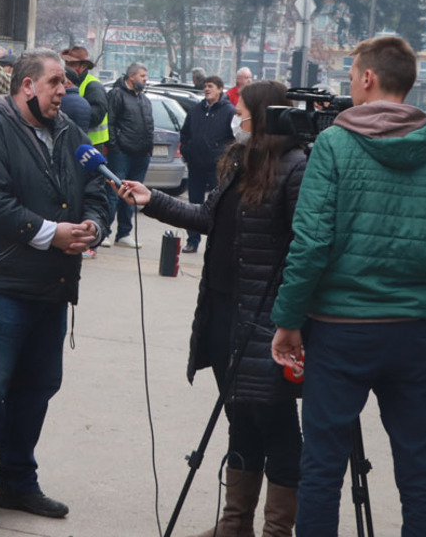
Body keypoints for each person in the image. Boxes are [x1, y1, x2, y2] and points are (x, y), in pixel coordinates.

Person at [269, 35, 426, 536]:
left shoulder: (335, 145)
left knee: (322, 467)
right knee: (418, 467)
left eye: (351, 75)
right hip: (411, 331)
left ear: (368, 78)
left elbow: (312, 243)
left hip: (339, 330)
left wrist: (288, 319)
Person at [123, 80, 306, 537]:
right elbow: (208, 217)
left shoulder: (295, 167)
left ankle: (277, 531)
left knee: (277, 425)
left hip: (267, 320)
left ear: (262, 117)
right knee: (239, 417)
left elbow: (307, 248)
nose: (233, 119)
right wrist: (153, 201)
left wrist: (290, 318)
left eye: (240, 111)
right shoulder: (241, 163)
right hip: (224, 311)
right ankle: (235, 525)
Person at [0, 49, 110, 527]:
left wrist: (92, 227)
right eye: (57, 82)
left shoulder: (69, 133)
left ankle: (18, 483)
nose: (66, 90)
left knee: (38, 387)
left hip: (52, 285)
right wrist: (51, 233)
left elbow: (97, 187)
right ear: (26, 86)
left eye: (66, 83)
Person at [177, 74, 236, 254]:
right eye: (205, 86)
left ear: (220, 89)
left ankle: (216, 242)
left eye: (211, 86)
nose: (207, 89)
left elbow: (234, 139)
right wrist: (188, 151)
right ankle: (192, 241)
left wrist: (223, 157)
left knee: (218, 205)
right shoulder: (196, 110)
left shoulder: (229, 111)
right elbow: (185, 134)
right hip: (196, 166)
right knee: (194, 205)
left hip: (217, 168)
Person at [103, 62, 153, 249]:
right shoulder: (117, 95)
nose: (145, 80)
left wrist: (149, 149)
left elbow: (149, 125)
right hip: (122, 154)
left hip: (142, 154)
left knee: (132, 195)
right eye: (142, 76)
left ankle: (124, 233)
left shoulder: (144, 99)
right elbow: (110, 122)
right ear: (131, 76)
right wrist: (115, 147)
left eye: (145, 76)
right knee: (114, 193)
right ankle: (105, 231)